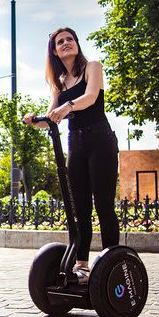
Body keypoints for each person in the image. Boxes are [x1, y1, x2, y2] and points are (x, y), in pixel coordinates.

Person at [23, 27, 119, 284]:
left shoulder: (92, 67)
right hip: (75, 144)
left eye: (70, 39)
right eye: (60, 42)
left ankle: (112, 261)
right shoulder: (59, 83)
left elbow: (90, 97)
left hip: (101, 140)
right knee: (80, 209)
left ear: (77, 44)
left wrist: (67, 107)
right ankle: (82, 266)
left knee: (104, 205)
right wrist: (35, 120)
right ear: (54, 51)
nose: (66, 44)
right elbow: (51, 118)